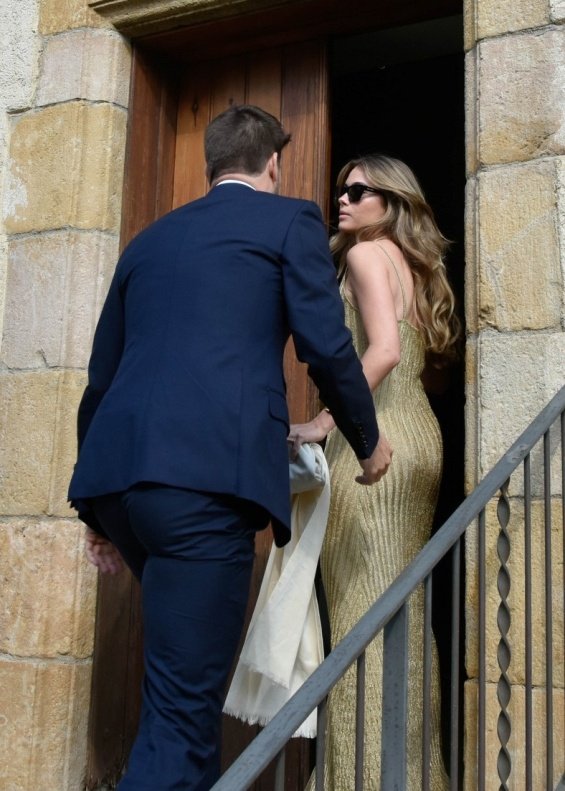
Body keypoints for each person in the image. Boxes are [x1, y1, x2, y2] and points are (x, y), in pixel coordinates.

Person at [68, 106, 392, 791]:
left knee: (171, 702)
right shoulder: (288, 220)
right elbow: (326, 344)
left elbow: (101, 380)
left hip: (124, 488)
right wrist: (366, 440)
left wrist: (97, 515)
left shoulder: (148, 241)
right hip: (203, 489)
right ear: (272, 163)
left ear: (214, 163)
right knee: (182, 719)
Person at [288, 154, 460, 789]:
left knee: (362, 622)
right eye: (342, 189)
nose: (343, 200)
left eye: (359, 192)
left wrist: (325, 423)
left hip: (379, 439)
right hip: (420, 436)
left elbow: (384, 351)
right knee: (401, 621)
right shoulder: (414, 265)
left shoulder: (364, 255)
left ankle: (362, 778)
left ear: (390, 203)